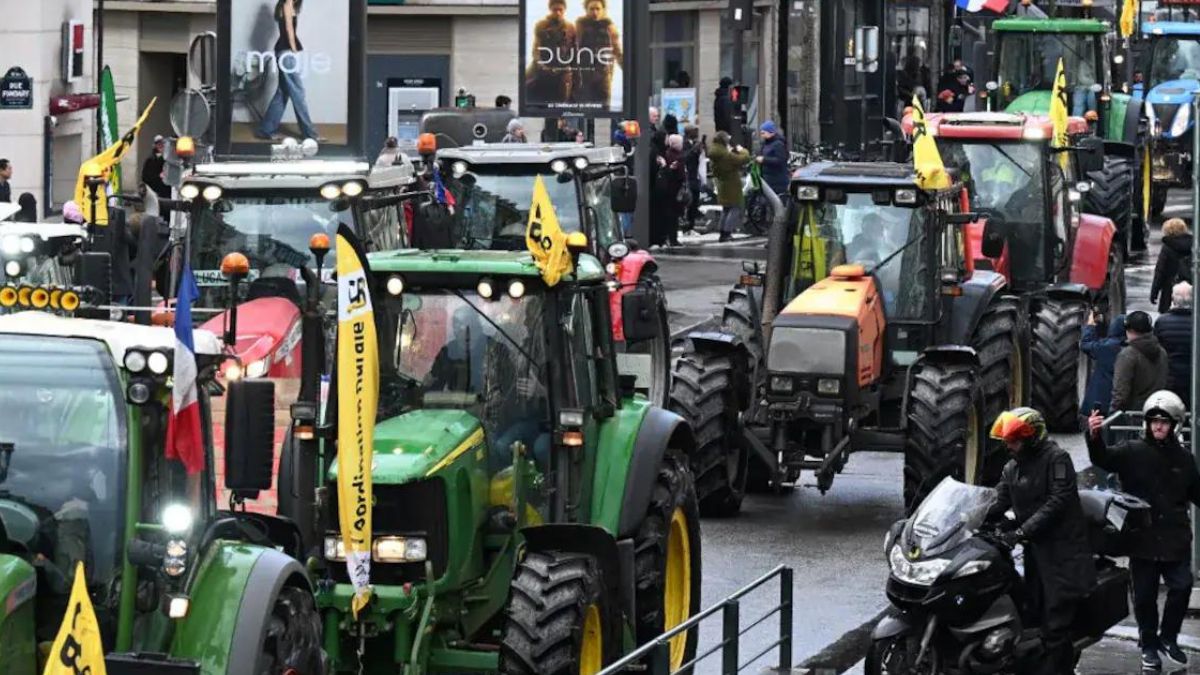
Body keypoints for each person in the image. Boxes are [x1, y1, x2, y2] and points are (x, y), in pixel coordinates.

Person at [1085, 392, 1200, 672]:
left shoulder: (1185, 458)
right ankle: (1148, 645)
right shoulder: (1131, 450)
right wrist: (1094, 435)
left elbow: (1196, 491)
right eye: (1154, 421)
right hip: (1142, 539)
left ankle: (1169, 638)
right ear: (1147, 424)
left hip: (1175, 537)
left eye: (1164, 422)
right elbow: (1103, 458)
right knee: (1145, 597)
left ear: (1175, 424)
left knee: (1182, 585)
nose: (1159, 426)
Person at [987, 407, 1094, 675]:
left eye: (1014, 440)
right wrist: (966, 519)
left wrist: (1021, 532)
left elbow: (1058, 501)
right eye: (1008, 441)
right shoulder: (1012, 467)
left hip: (1062, 555)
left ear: (1032, 437)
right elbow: (997, 501)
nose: (1009, 446)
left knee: (1055, 623)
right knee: (1031, 613)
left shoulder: (1057, 459)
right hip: (1036, 552)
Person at [256, 0, 321, 142]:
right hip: (286, 52)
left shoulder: (286, 5)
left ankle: (265, 130)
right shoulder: (287, 4)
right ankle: (310, 134)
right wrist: (294, 49)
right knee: (298, 92)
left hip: (283, 51)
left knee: (283, 93)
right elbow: (289, 29)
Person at [1111, 310, 1169, 412]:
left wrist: (1113, 414)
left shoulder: (1127, 355)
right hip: (1156, 412)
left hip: (1132, 416)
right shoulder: (1162, 352)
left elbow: (1120, 392)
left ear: (1130, 330)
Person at [524, 0, 576, 105]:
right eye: (555, 10)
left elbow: (574, 51)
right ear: (550, 10)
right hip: (543, 66)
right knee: (525, 84)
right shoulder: (541, 25)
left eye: (560, 10)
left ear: (564, 10)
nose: (558, 13)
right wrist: (542, 65)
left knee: (568, 94)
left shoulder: (570, 27)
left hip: (562, 69)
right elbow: (536, 49)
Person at [573, 0, 622, 108]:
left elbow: (617, 50)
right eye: (592, 9)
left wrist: (627, 69)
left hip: (604, 75)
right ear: (586, 10)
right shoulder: (580, 26)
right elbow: (573, 48)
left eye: (598, 9)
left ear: (603, 9)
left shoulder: (609, 27)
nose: (595, 12)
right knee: (584, 109)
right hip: (584, 74)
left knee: (604, 109)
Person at [1154, 282, 1193, 407]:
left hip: (1169, 375)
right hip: (1192, 375)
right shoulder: (1196, 322)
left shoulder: (1162, 322)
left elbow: (1156, 347)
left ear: (1173, 299)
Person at [1081, 313, 1126, 417]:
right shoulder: (1133, 349)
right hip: (1122, 400)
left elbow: (1085, 344)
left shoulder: (1106, 347)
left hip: (1101, 400)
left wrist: (1090, 326)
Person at [708, 132, 749, 243]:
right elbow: (744, 159)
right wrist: (742, 150)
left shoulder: (716, 153)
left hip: (722, 183)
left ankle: (722, 232)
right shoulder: (726, 155)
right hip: (732, 184)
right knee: (735, 208)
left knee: (726, 209)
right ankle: (727, 233)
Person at [1151, 217, 1192, 314]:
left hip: (1169, 290)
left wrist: (1154, 293)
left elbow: (1160, 271)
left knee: (1168, 317)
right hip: (1191, 288)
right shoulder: (1194, 245)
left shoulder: (1167, 247)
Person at [756, 120, 790, 198]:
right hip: (767, 179)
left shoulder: (778, 144)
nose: (761, 135)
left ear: (771, 132)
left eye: (763, 133)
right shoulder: (765, 143)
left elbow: (780, 160)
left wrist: (764, 160)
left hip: (777, 181)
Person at [682, 126, 704, 233]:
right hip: (688, 177)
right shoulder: (684, 143)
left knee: (695, 202)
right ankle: (687, 226)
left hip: (695, 176)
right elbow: (685, 158)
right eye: (695, 132)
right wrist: (693, 149)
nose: (697, 134)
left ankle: (691, 225)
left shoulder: (694, 143)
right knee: (689, 202)